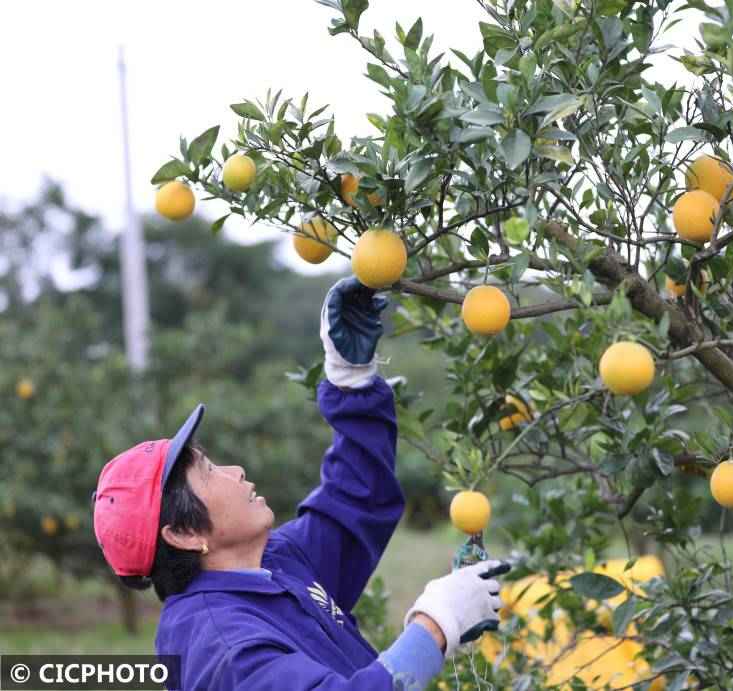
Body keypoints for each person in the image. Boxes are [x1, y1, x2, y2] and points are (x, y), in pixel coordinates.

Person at [92, 277, 508, 690]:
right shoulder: (219, 648)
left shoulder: (274, 564)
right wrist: (435, 625)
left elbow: (356, 500)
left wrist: (352, 378)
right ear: (182, 533)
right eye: (208, 472)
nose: (234, 471)